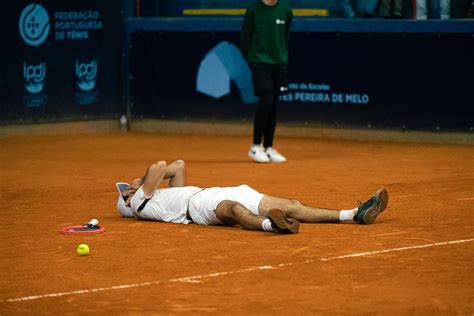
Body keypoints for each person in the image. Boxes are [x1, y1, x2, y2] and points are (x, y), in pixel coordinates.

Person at [116, 160, 390, 234]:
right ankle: (272, 225)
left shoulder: (160, 194)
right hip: (197, 209)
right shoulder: (141, 203)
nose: (129, 187)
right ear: (129, 200)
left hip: (215, 191)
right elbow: (160, 166)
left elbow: (178, 165)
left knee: (292, 204)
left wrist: (141, 183)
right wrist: (138, 183)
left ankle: (353, 215)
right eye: (126, 191)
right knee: (234, 210)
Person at [240, 0, 292, 163]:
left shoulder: (286, 11)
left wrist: (280, 57)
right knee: (267, 101)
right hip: (259, 63)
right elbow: (245, 38)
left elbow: (285, 38)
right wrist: (253, 60)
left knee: (274, 105)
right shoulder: (253, 10)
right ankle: (256, 146)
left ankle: (268, 147)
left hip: (279, 64)